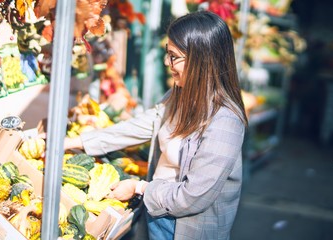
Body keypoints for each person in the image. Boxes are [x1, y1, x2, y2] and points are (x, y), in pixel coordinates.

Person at [64, 10, 248, 240]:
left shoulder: (225, 121)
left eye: (173, 56)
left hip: (184, 229)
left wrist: (139, 187)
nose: (166, 62)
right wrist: (75, 142)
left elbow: (193, 197)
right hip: (156, 213)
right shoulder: (181, 94)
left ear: (201, 60)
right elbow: (141, 126)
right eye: (167, 53)